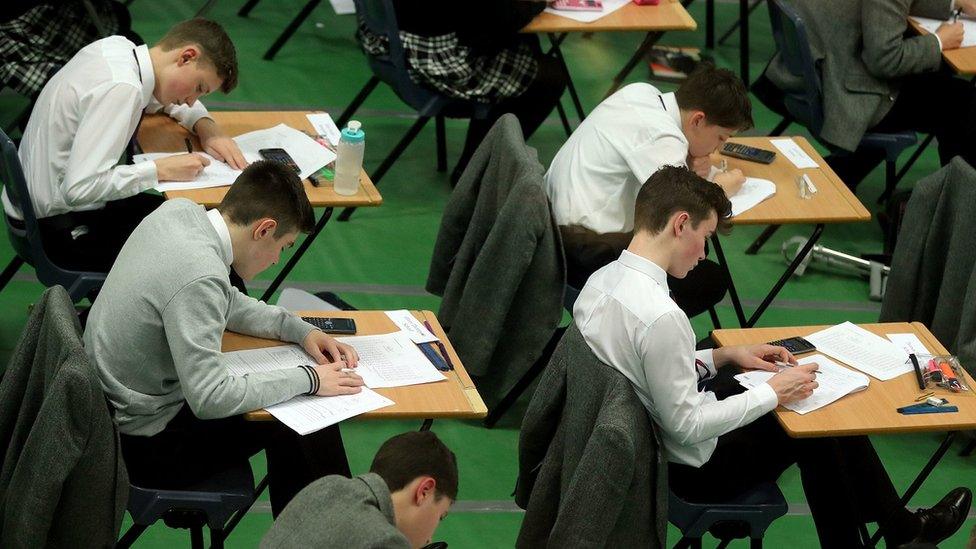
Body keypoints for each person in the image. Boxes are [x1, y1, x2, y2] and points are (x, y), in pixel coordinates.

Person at [572, 165, 972, 547]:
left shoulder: (601, 282)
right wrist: (774, 394)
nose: (704, 254)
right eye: (706, 236)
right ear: (680, 224)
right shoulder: (662, 316)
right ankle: (902, 529)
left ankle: (900, 529)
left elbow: (648, 371)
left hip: (644, 440)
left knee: (816, 420)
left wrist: (724, 356)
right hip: (688, 467)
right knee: (817, 419)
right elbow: (688, 427)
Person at [84, 160, 365, 515]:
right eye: (284, 246)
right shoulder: (200, 274)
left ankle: (327, 532)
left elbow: (226, 301)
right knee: (306, 411)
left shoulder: (179, 212)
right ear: (265, 229)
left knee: (296, 404)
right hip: (145, 445)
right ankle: (333, 534)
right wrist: (309, 378)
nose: (278, 260)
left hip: (111, 407)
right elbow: (209, 397)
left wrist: (299, 330)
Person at [2, 17, 248, 275]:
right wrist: (159, 170)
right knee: (202, 252)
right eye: (198, 88)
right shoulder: (122, 89)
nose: (190, 101)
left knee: (191, 222)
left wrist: (204, 124)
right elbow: (80, 188)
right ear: (186, 57)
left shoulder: (118, 49)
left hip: (30, 209)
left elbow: (159, 100)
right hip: (58, 231)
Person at [545, 64, 751, 318]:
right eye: (721, 138)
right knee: (707, 275)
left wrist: (687, 159)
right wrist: (721, 186)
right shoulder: (665, 138)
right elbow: (686, 216)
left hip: (553, 231)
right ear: (698, 119)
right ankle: (631, 337)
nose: (717, 148)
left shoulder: (640, 92)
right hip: (583, 254)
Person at [756, 0, 976, 189]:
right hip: (843, 92)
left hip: (815, 71)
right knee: (961, 102)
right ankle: (954, 207)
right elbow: (885, 60)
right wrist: (938, 42)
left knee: (939, 77)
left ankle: (845, 171)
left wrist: (955, 3)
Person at [356, 0, 567, 184]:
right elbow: (488, 28)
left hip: (385, 38)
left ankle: (478, 164)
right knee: (550, 77)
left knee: (525, 46)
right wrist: (538, 4)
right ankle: (473, 174)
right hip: (426, 60)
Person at [261, 431, 457, 549]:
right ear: (424, 490)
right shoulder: (385, 541)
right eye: (440, 516)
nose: (430, 537)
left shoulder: (329, 485)